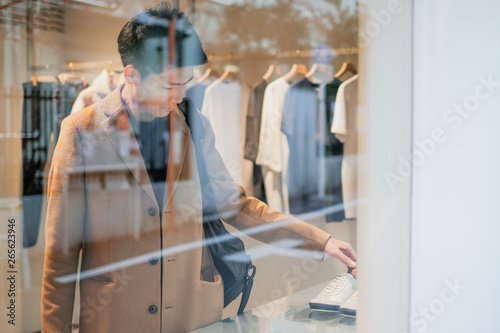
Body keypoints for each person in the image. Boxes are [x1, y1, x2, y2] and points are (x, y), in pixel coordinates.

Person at [41, 2, 357, 332]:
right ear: (132, 74)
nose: (178, 96)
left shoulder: (194, 124)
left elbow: (235, 205)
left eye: (185, 83)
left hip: (193, 314)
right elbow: (61, 252)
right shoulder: (81, 131)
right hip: (117, 316)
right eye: (167, 84)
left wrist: (319, 241)